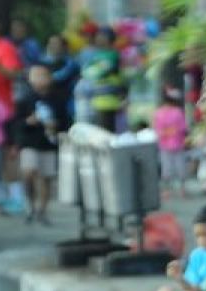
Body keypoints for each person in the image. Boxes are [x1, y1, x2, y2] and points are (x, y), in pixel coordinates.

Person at [11, 65, 71, 225]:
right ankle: (29, 204)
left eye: (43, 75)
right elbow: (15, 122)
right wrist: (27, 122)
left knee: (45, 178)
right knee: (28, 172)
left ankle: (41, 211)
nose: (40, 79)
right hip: (29, 141)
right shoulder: (24, 98)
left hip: (49, 143)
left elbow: (67, 122)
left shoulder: (58, 98)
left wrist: (57, 127)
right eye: (36, 75)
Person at [81, 27, 126, 132]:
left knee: (108, 131)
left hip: (111, 101)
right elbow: (85, 72)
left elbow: (100, 72)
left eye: (101, 36)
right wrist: (93, 70)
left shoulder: (113, 55)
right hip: (97, 100)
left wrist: (94, 70)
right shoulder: (96, 55)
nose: (98, 38)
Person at [154, 86, 189, 199]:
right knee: (180, 168)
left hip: (164, 145)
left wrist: (166, 132)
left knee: (166, 169)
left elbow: (157, 130)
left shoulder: (158, 113)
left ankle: (166, 191)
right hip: (178, 144)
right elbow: (183, 129)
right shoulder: (178, 112)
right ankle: (182, 190)